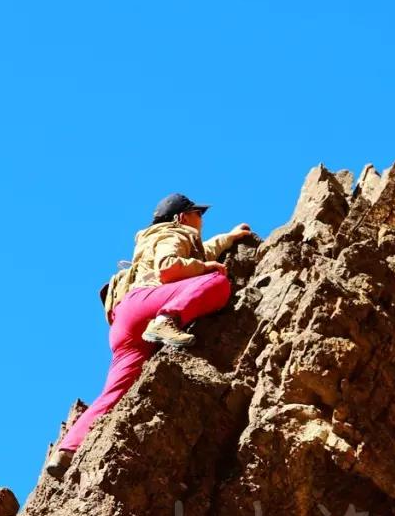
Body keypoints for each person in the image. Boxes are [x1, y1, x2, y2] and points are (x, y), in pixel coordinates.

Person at [45, 193, 252, 480]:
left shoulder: (155, 239)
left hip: (124, 325)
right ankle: (169, 319)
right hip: (146, 306)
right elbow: (169, 268)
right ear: (182, 217)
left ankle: (67, 450)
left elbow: (199, 252)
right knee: (217, 282)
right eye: (198, 214)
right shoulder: (175, 232)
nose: (201, 220)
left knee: (115, 392)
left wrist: (228, 238)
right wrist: (206, 268)